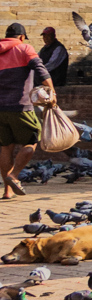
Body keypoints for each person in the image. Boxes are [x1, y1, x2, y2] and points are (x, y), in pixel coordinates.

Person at [0, 24, 54, 200]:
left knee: (5, 147)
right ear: (22, 37)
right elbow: (40, 69)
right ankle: (14, 175)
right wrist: (52, 91)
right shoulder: (24, 48)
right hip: (20, 106)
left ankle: (7, 191)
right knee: (32, 140)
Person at [40, 26, 70, 90]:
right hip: (45, 80)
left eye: (48, 36)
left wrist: (39, 71)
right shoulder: (43, 49)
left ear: (53, 36)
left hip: (56, 82)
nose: (46, 38)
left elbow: (52, 64)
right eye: (44, 36)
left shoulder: (59, 48)